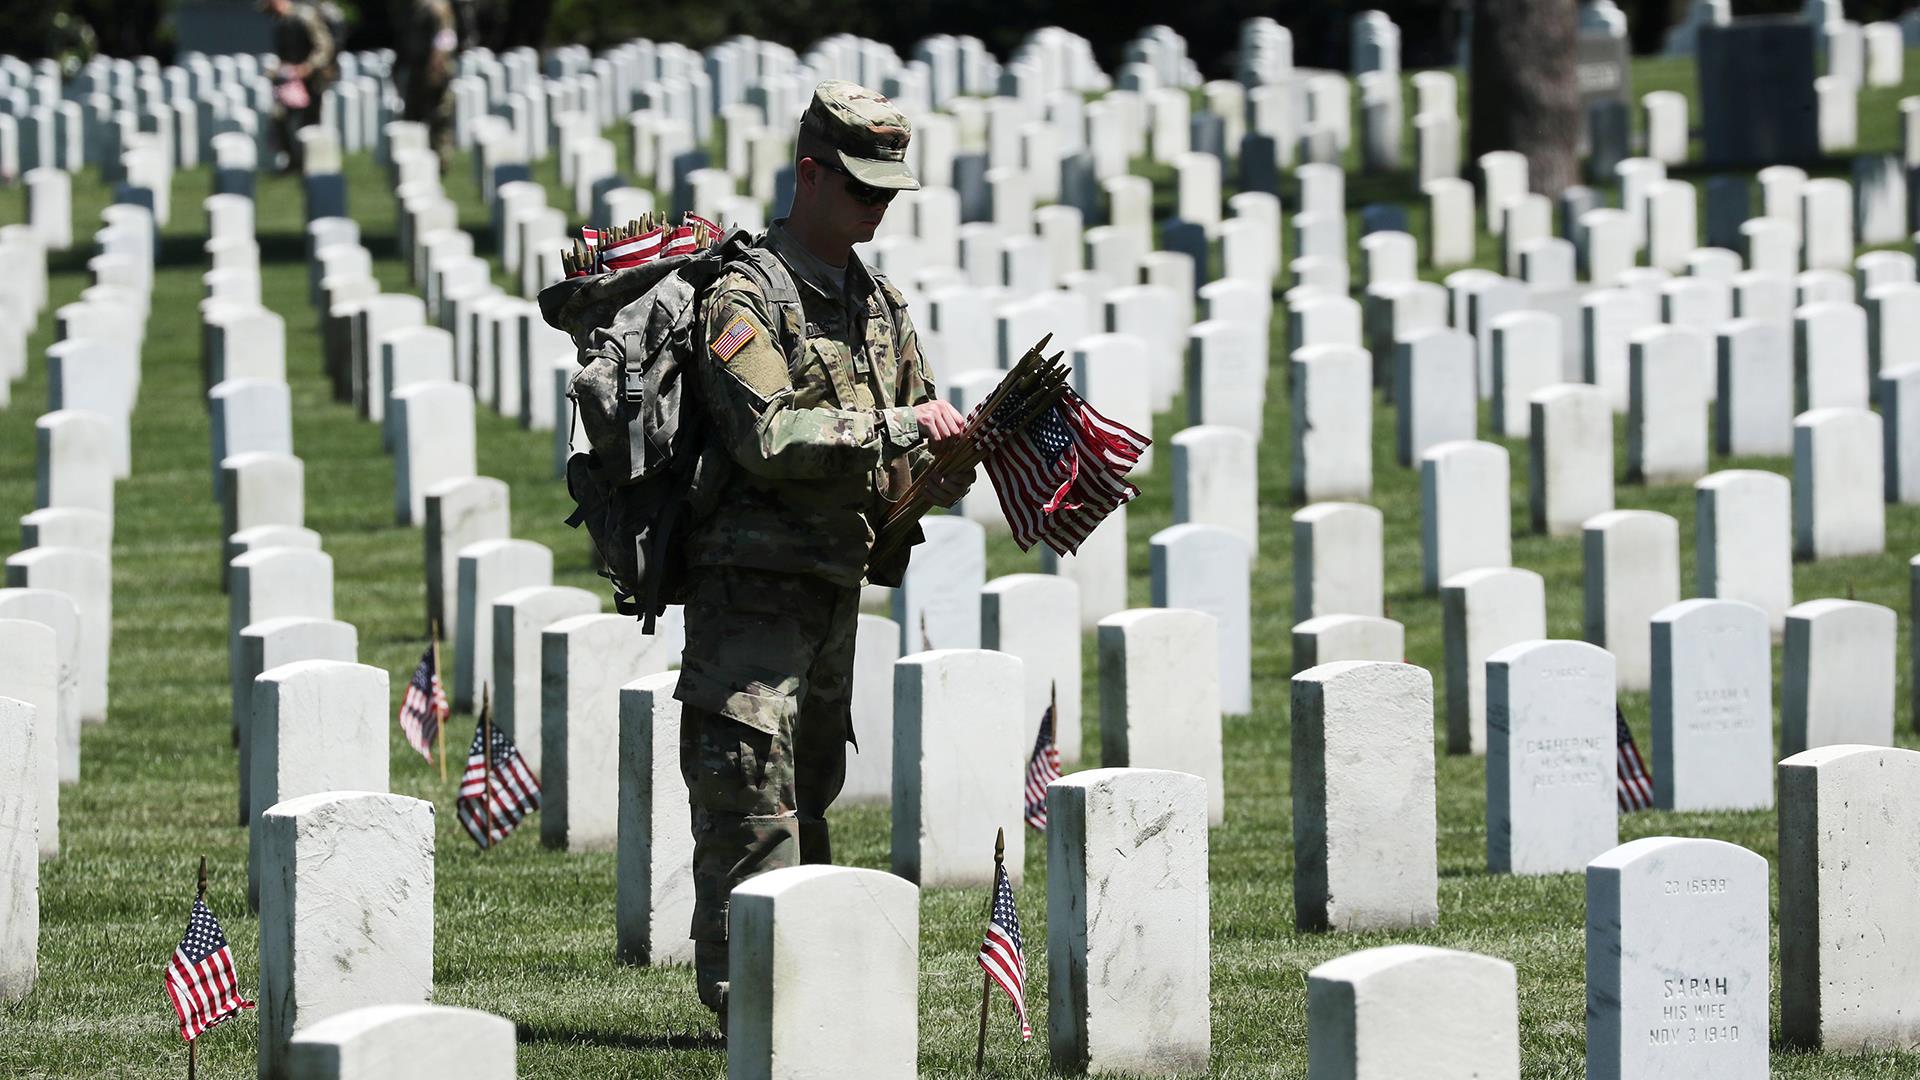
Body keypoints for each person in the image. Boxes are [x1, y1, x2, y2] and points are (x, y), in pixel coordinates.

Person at [675, 80, 972, 1026]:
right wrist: (896, 427)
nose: (878, 208)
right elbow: (766, 435)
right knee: (749, 821)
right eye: (861, 189)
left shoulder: (878, 303)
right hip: (750, 614)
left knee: (809, 810)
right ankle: (748, 1011)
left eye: (889, 192)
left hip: (833, 601)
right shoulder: (744, 295)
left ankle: (806, 1009)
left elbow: (908, 438)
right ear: (810, 172)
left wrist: (952, 458)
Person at [262, 0, 336, 173]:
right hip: (291, 80)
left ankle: (311, 164)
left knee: (310, 122)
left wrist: (307, 67)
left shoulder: (305, 16)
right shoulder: (280, 23)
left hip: (313, 79)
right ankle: (292, 160)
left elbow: (324, 46)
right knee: (279, 117)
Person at [395, 0, 457, 168]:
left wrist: (436, 67)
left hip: (434, 70)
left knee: (438, 118)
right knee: (412, 119)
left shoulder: (437, 7)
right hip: (417, 71)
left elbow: (445, 39)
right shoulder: (413, 8)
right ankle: (416, 164)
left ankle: (440, 164)